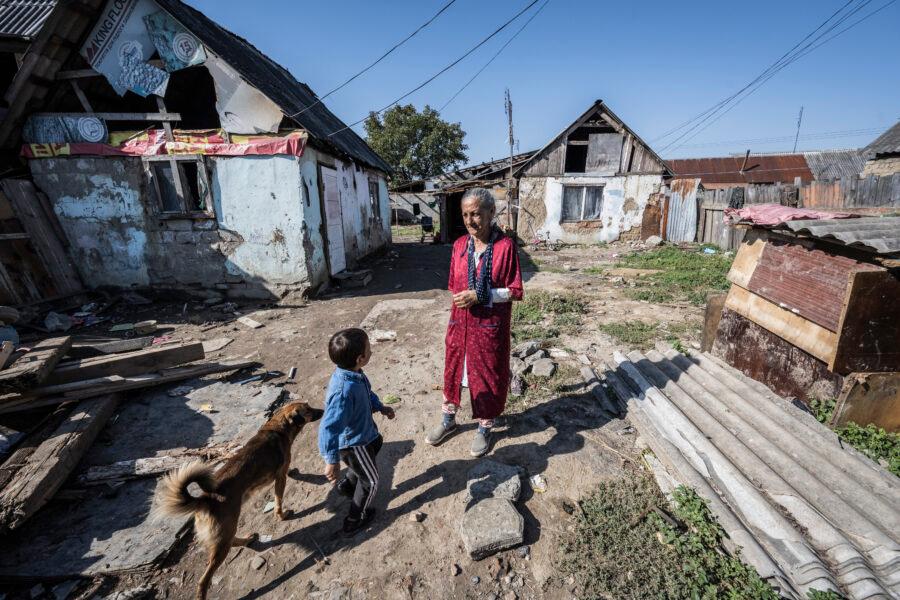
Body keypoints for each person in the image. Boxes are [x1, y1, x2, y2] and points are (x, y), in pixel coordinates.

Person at [425, 188, 523, 457]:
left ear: (491, 213)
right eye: (466, 215)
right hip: (460, 325)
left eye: (476, 214)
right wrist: (466, 301)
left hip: (489, 327)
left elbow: (515, 291)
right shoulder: (458, 246)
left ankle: (485, 427)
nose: (470, 221)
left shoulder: (505, 248)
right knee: (454, 371)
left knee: (488, 376)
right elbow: (452, 286)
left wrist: (481, 295)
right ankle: (448, 419)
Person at [318, 328, 395, 535]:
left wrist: (380, 406)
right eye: (369, 349)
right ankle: (354, 518)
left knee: (376, 444)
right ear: (360, 358)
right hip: (354, 443)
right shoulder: (343, 391)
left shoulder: (354, 374)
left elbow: (367, 394)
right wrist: (331, 460)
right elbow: (328, 427)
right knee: (370, 481)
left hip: (365, 434)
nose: (372, 352)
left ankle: (348, 486)